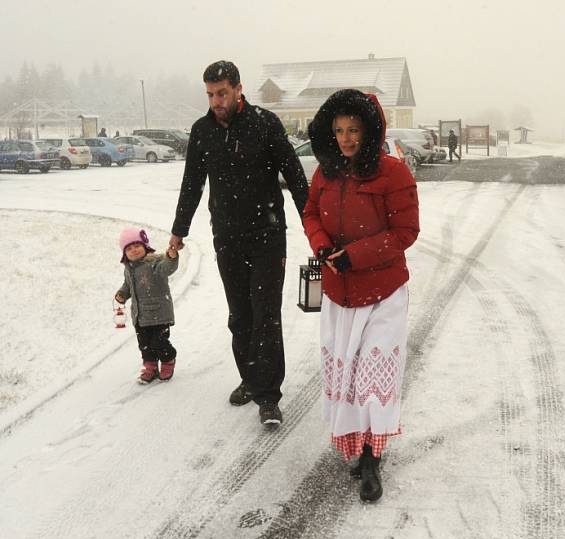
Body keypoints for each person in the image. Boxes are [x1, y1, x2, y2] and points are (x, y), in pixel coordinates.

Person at [168, 60, 308, 426]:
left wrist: (313, 221)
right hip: (227, 238)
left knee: (266, 315)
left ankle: (268, 396)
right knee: (240, 316)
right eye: (211, 95)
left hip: (267, 235)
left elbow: (293, 173)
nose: (216, 101)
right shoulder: (202, 131)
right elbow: (192, 182)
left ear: (238, 88)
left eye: (222, 93)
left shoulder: (265, 124)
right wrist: (178, 230)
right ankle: (249, 377)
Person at [303, 89, 420, 502]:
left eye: (354, 129)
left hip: (383, 293)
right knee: (348, 376)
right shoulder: (325, 173)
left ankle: (372, 457)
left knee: (372, 380)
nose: (346, 138)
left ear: (369, 130)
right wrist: (322, 247)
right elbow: (310, 213)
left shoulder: (393, 172)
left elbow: (405, 232)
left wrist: (355, 256)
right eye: (339, 130)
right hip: (339, 294)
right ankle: (354, 446)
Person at [115, 227, 179, 384]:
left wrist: (171, 257)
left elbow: (167, 268)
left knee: (159, 341)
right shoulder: (128, 269)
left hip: (159, 313)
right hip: (140, 315)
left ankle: (168, 359)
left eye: (137, 246)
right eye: (129, 248)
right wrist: (123, 293)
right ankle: (150, 366)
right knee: (144, 344)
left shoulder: (154, 263)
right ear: (125, 253)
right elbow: (128, 285)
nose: (134, 250)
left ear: (145, 246)